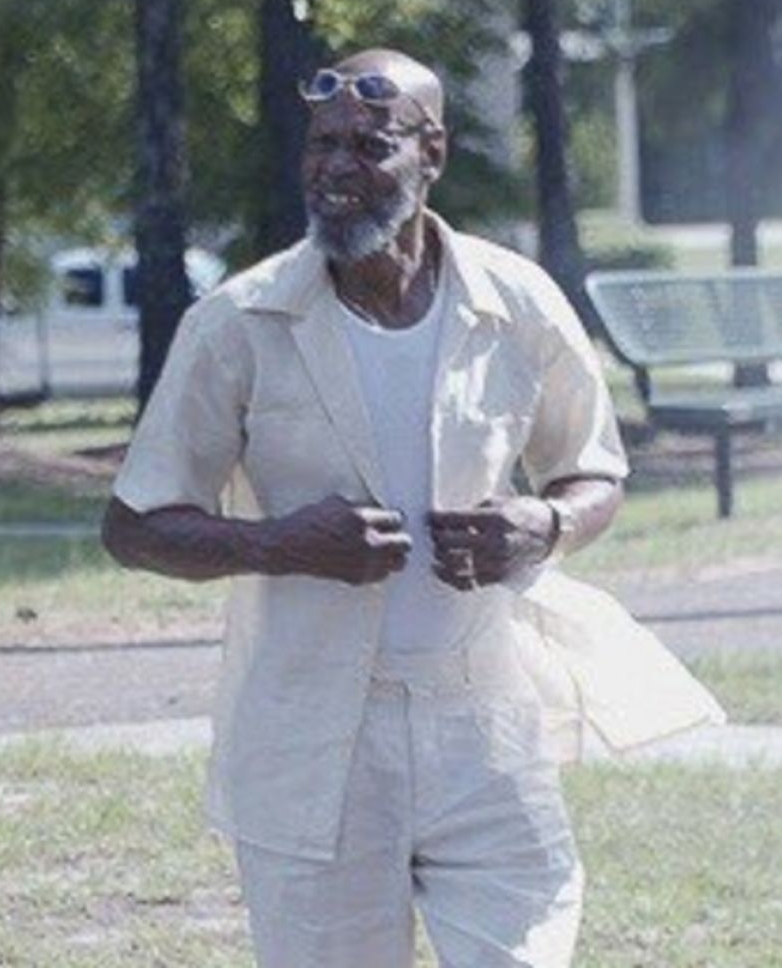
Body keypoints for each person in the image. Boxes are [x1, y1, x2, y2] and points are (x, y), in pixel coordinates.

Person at [102, 48, 724, 967]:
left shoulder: (516, 302)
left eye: (369, 145)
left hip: (482, 727)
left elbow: (593, 472)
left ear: (430, 152)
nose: (335, 168)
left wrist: (544, 526)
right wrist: (279, 544)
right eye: (321, 145)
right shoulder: (236, 322)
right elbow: (133, 526)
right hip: (312, 736)